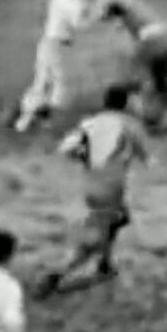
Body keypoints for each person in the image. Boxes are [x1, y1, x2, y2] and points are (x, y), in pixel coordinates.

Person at [38, 84, 150, 298]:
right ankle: (57, 273)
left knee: (118, 219)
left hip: (91, 184)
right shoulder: (129, 125)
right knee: (94, 239)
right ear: (126, 103)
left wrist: (83, 157)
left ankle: (105, 264)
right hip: (111, 188)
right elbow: (146, 157)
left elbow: (66, 147)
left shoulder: (91, 123)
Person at [12, 0, 92, 133]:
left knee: (41, 83)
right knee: (63, 86)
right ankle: (48, 121)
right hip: (59, 46)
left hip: (49, 42)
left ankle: (23, 121)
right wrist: (95, 9)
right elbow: (80, 23)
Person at [97, 0, 167, 129]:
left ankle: (154, 115)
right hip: (164, 43)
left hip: (153, 44)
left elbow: (115, 9)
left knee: (145, 82)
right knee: (161, 79)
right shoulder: (132, 2)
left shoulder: (123, 5)